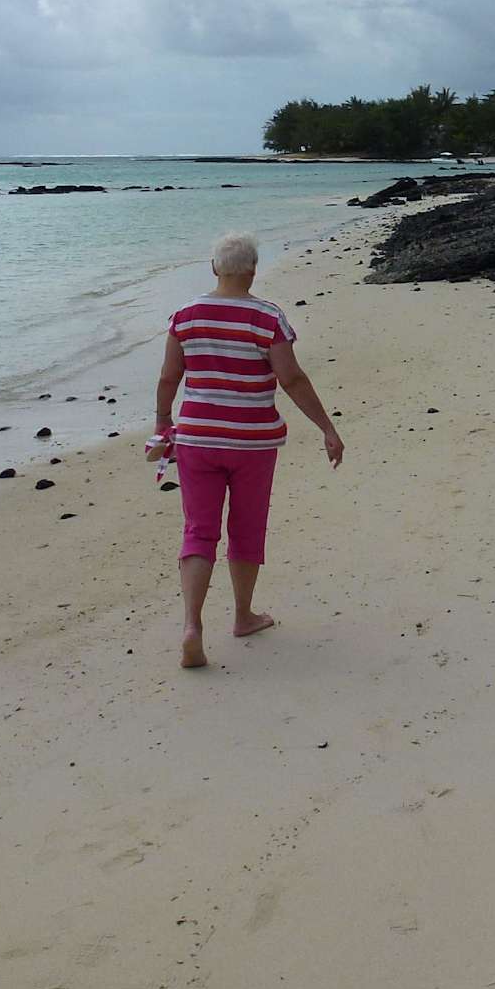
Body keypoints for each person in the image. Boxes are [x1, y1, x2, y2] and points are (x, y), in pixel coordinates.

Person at [151, 232, 342, 669]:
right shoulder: (267, 317)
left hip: (198, 438)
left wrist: (163, 421)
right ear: (253, 270)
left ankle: (192, 626)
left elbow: (168, 377)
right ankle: (242, 616)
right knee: (247, 528)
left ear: (214, 268)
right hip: (252, 442)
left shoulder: (185, 316)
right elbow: (291, 379)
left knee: (198, 530)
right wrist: (327, 428)